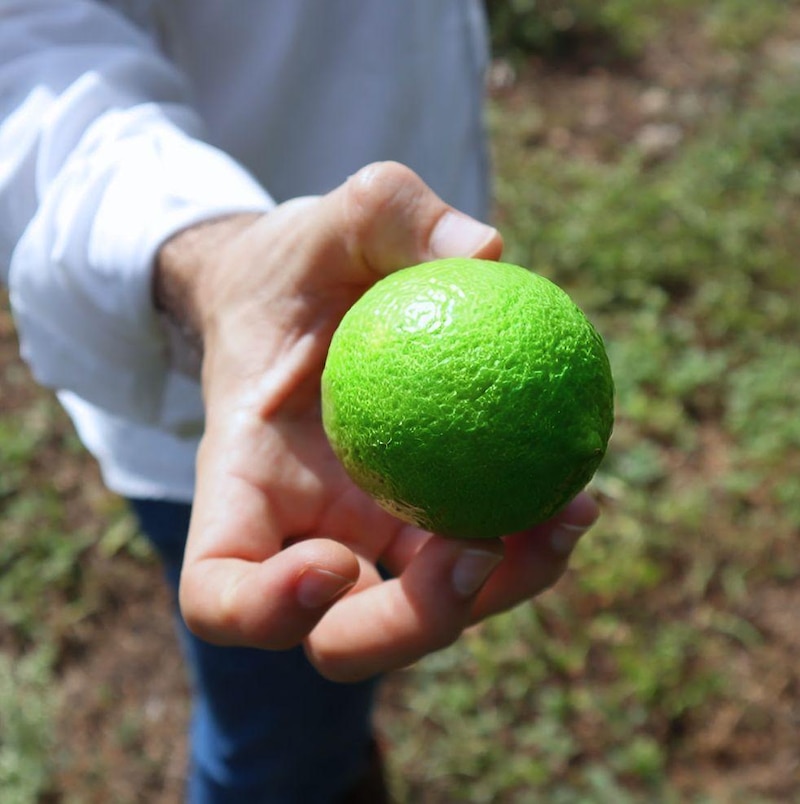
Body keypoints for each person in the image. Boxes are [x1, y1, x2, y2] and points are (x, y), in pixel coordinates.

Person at [0, 2, 600, 801]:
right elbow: (27, 58)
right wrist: (216, 269)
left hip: (416, 310)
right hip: (237, 416)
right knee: (279, 734)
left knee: (330, 694)